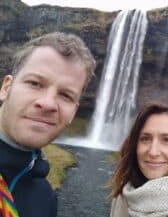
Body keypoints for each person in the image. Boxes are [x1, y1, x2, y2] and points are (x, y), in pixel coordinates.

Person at [0, 32, 96, 217]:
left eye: (66, 95)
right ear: (6, 88)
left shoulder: (45, 199)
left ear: (73, 112)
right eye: (35, 83)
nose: (48, 103)